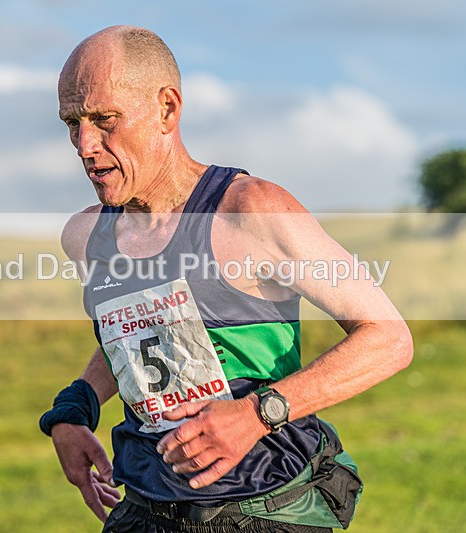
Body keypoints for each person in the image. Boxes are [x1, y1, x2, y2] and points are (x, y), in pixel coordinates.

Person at [40, 26, 413, 532]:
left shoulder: (251, 211)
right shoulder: (86, 236)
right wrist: (74, 408)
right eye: (72, 123)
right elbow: (134, 337)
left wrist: (256, 414)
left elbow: (388, 338)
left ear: (167, 109)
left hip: (266, 507)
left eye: (105, 120)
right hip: (146, 510)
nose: (85, 145)